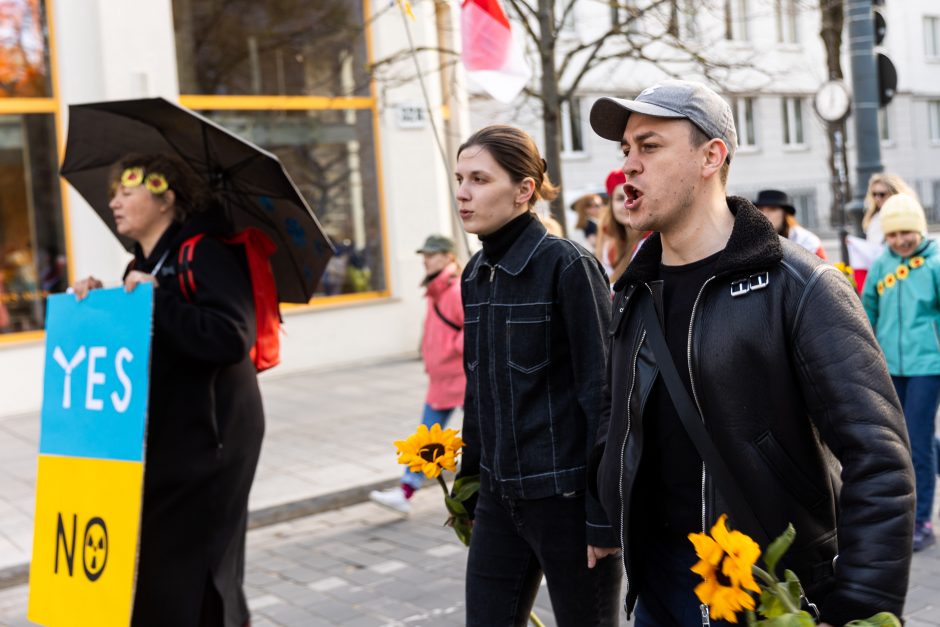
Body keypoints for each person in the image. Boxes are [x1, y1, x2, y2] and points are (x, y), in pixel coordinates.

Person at [587, 80, 914, 626]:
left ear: (711, 156)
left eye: (649, 146)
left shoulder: (801, 286)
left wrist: (860, 606)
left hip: (767, 588)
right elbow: (616, 415)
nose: (629, 166)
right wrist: (602, 512)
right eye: (625, 150)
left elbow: (878, 459)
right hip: (658, 583)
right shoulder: (633, 290)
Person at [71, 154, 264, 627]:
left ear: (165, 198)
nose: (113, 201)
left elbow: (233, 335)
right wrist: (97, 304)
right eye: (115, 192)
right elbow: (143, 343)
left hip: (213, 440)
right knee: (164, 567)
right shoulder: (143, 263)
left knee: (201, 570)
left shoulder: (205, 253)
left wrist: (158, 300)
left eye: (126, 191)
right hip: (171, 438)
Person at [454, 125, 622, 626]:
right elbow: (477, 391)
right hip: (498, 498)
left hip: (565, 502)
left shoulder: (567, 266)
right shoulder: (475, 273)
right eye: (460, 178)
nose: (463, 192)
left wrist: (602, 514)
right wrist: (468, 485)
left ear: (524, 189)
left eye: (479, 179)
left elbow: (605, 395)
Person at [862, 193, 940, 552]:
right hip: (890, 365)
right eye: (892, 235)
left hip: (928, 365)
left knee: (918, 444)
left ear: (919, 229)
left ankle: (922, 519)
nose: (900, 241)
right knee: (900, 441)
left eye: (906, 232)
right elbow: (867, 310)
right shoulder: (882, 265)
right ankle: (904, 513)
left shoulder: (935, 263)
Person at [370, 234, 465, 514]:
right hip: (442, 378)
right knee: (427, 438)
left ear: (449, 256)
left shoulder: (455, 289)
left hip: (459, 377)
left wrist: (449, 349)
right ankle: (406, 490)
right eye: (425, 254)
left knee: (474, 437)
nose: (426, 259)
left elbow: (471, 328)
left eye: (432, 254)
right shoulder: (437, 289)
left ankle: (480, 492)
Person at [596, 169, 650, 283]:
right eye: (620, 198)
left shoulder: (652, 243)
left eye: (633, 196)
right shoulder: (607, 245)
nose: (626, 204)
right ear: (611, 205)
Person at [754, 189, 828, 260]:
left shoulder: (806, 241)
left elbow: (822, 270)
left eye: (772, 209)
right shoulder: (752, 241)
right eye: (760, 209)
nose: (764, 214)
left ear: (785, 214)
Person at [862, 173, 917, 245]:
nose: (877, 198)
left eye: (882, 194)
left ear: (894, 193)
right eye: (874, 194)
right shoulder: (874, 218)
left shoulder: (906, 215)